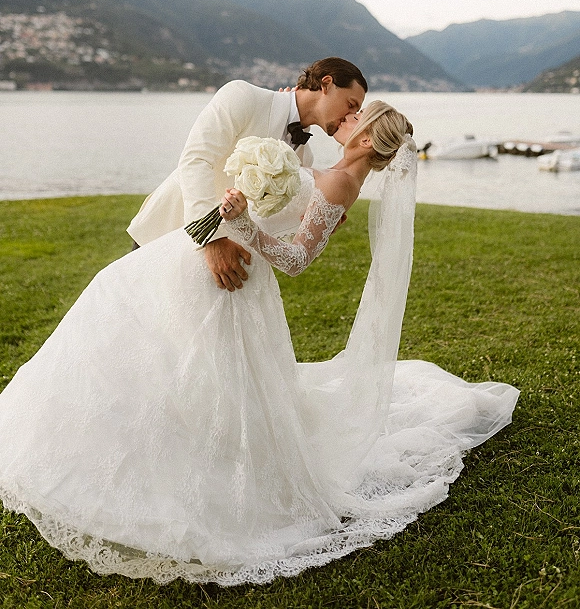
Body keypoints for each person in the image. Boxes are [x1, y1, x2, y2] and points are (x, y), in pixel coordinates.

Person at [0, 102, 519, 587]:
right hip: (204, 254)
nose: (349, 116)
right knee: (133, 321)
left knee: (195, 368)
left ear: (367, 139)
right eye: (353, 107)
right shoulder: (331, 171)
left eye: (360, 114)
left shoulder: (340, 183)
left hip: (235, 274)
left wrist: (245, 224)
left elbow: (295, 261)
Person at [127, 57, 367, 291]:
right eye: (350, 104)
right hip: (166, 232)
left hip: (219, 269)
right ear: (326, 84)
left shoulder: (304, 159)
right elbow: (195, 161)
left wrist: (316, 222)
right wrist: (212, 239)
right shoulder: (243, 96)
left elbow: (269, 221)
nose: (350, 116)